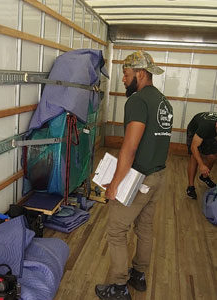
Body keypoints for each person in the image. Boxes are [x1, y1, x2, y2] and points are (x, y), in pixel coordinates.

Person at [95, 50, 173, 300]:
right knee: (145, 228)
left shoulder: (138, 101)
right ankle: (139, 275)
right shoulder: (164, 102)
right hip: (158, 176)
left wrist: (114, 184)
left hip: (138, 180)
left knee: (117, 231)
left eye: (126, 74)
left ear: (140, 73)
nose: (123, 80)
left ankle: (119, 288)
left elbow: (130, 146)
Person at [186, 112, 217, 199]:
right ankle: (190, 187)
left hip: (210, 132)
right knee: (194, 157)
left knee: (212, 156)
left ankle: (204, 177)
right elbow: (194, 147)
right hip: (195, 129)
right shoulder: (206, 127)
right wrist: (201, 165)